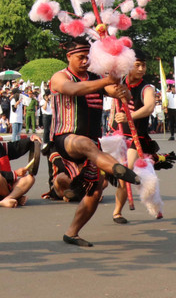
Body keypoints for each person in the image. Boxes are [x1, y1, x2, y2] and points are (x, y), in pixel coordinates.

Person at [43, 39, 140, 247]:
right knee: (86, 144)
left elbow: (118, 93)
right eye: (81, 57)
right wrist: (106, 82)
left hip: (92, 143)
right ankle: (118, 169)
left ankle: (72, 233)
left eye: (88, 57)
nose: (85, 61)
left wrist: (122, 89)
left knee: (95, 192)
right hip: (65, 139)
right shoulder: (59, 77)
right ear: (69, 56)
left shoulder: (96, 77)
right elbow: (73, 89)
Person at [110, 50, 158, 224]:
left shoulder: (147, 88)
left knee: (126, 171)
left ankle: (117, 212)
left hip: (136, 137)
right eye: (137, 65)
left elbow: (149, 107)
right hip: (115, 136)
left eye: (143, 65)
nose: (141, 69)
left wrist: (129, 116)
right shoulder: (117, 82)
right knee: (101, 173)